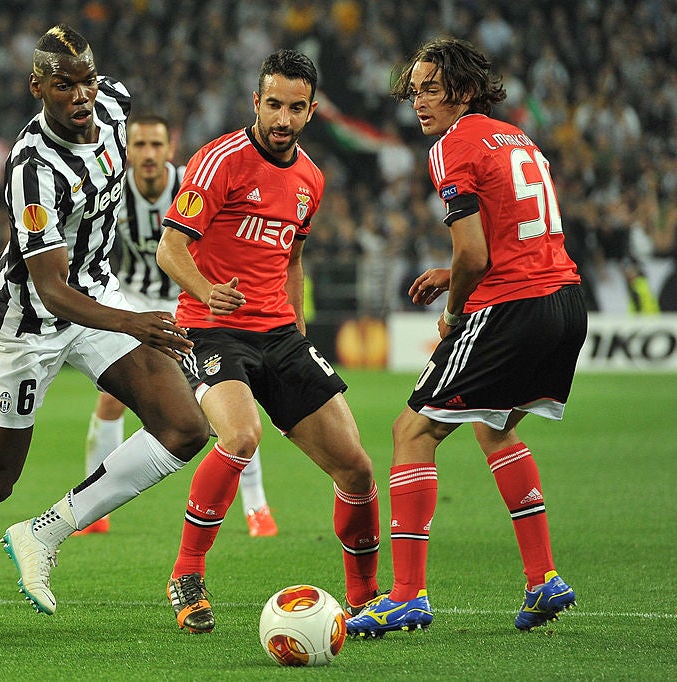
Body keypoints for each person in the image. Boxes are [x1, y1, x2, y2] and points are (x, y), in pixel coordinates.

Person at [0, 24, 210, 643]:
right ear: (37, 89)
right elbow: (50, 289)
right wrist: (137, 321)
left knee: (185, 427)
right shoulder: (31, 171)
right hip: (28, 323)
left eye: (87, 80)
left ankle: (45, 532)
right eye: (64, 84)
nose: (82, 95)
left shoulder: (114, 105)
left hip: (97, 295)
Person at [346, 37, 586, 638]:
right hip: (565, 301)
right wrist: (452, 272)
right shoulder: (518, 139)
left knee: (412, 431)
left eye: (432, 88)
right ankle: (543, 578)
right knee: (493, 426)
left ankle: (406, 595)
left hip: (512, 304)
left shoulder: (450, 146)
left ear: (464, 89)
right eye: (416, 90)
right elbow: (505, 236)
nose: (420, 101)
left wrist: (455, 314)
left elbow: (476, 254)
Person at [156, 48, 381, 634]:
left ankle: (367, 597)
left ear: (311, 111)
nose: (283, 118)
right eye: (274, 105)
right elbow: (171, 250)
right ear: (256, 102)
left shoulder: (311, 178)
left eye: (296, 108)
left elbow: (293, 257)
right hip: (210, 326)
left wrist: (297, 325)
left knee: (356, 468)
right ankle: (187, 573)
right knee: (241, 434)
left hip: (278, 333)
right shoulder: (217, 162)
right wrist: (207, 292)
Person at [79, 114, 278, 538]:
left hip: (187, 300)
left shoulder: (192, 183)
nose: (148, 154)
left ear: (170, 150)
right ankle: (94, 509)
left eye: (156, 145)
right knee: (112, 402)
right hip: (132, 302)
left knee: (226, 403)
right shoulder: (112, 191)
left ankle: (257, 506)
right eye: (139, 146)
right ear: (128, 150)